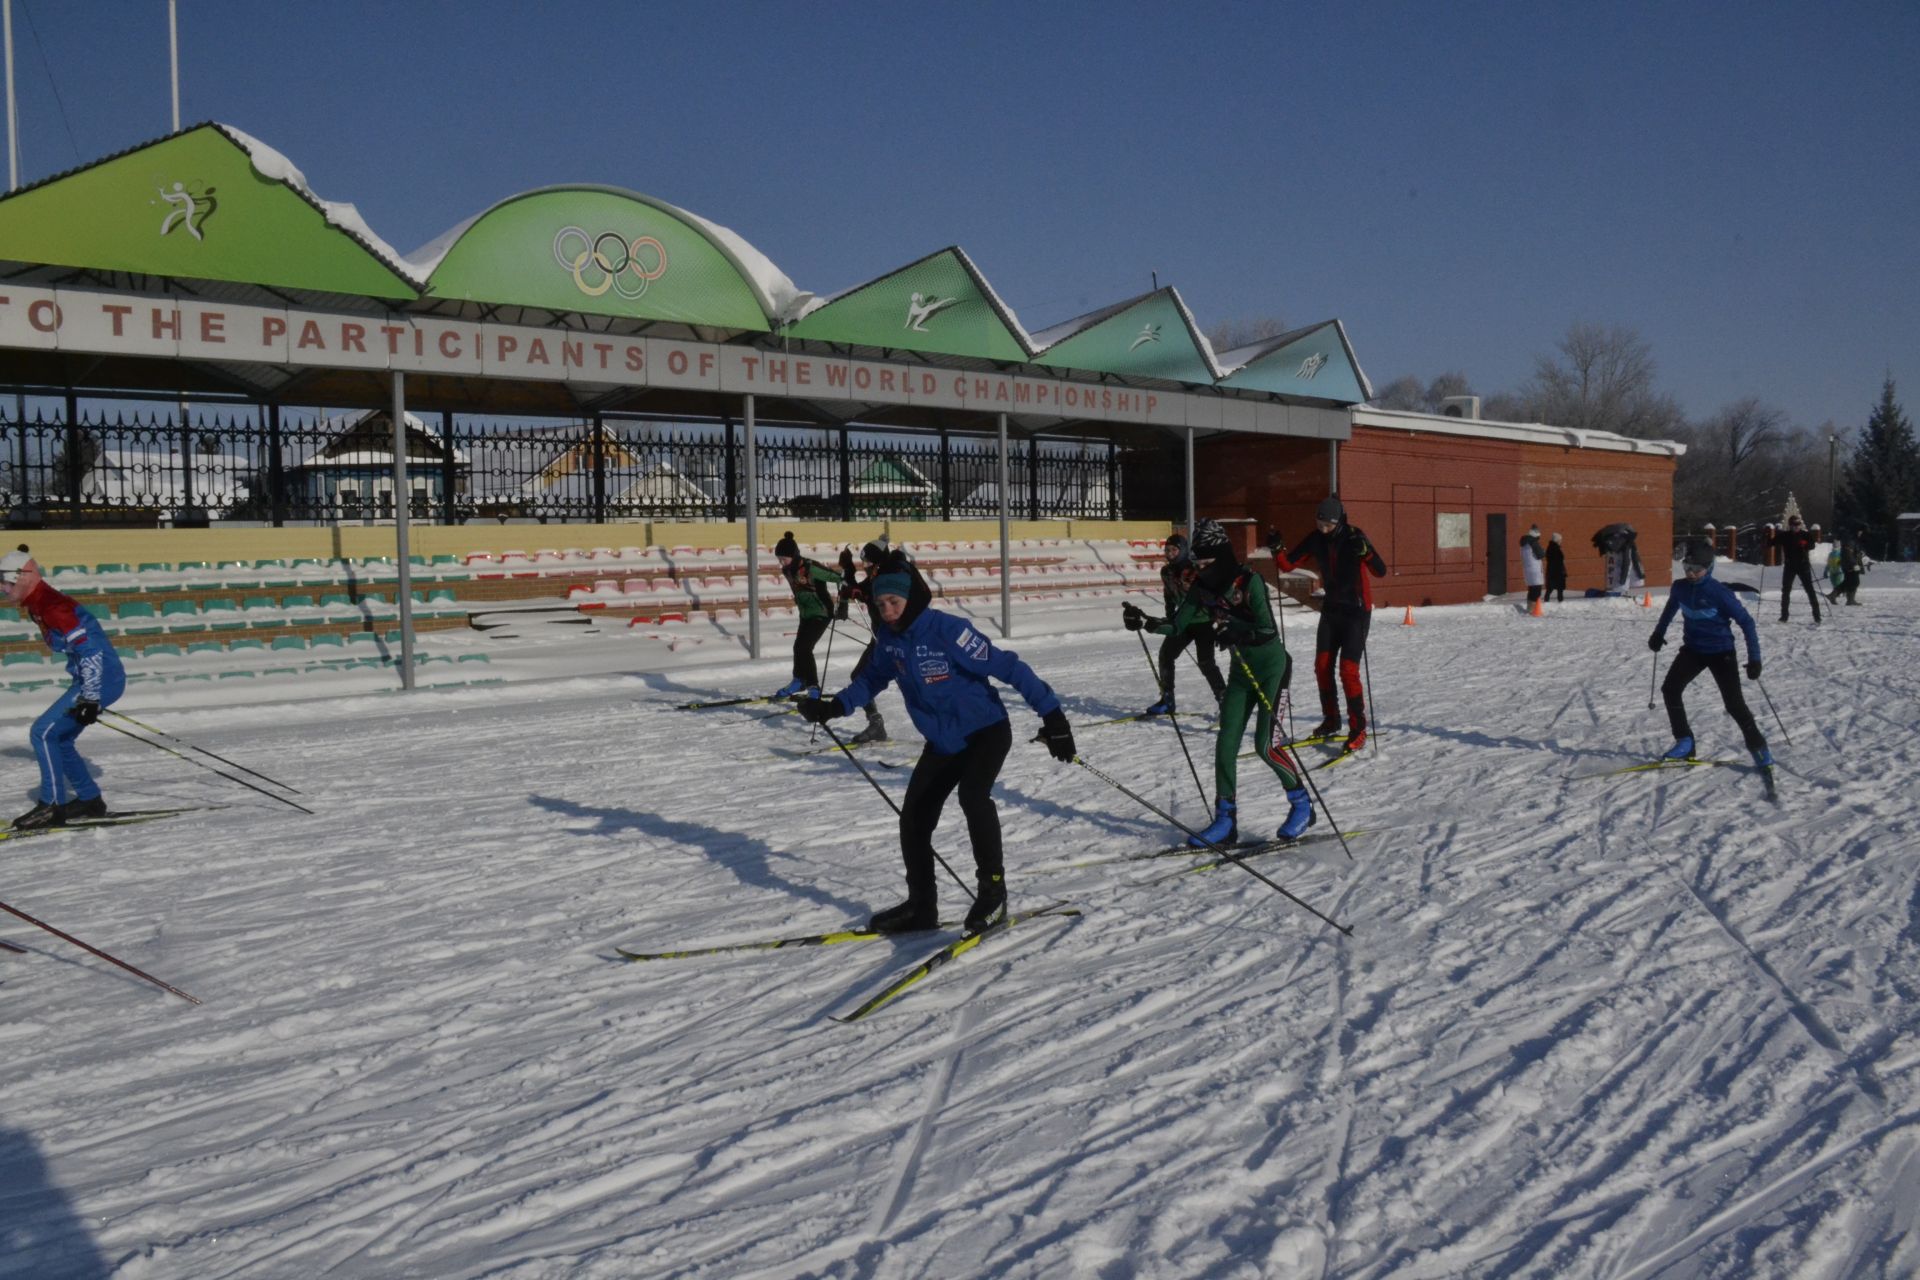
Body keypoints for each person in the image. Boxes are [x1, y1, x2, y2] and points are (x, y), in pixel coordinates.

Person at [798, 570, 1075, 934]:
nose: (888, 612)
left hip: (985, 731)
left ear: (912, 600)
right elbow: (870, 679)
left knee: (973, 797)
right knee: (913, 820)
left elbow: (1009, 667)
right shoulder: (889, 639)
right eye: (881, 606)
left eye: (894, 603)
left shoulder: (948, 631)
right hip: (944, 742)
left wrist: (1053, 716)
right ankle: (921, 907)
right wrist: (835, 707)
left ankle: (993, 894)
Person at [1151, 519, 1312, 847]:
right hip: (1241, 672)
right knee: (1225, 745)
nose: (1201, 569)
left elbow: (1268, 631)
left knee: (1265, 746)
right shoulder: (1201, 587)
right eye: (1198, 563)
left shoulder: (1248, 581)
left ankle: (1302, 805)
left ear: (1221, 557)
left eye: (1207, 562)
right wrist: (1145, 622)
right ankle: (1226, 820)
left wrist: (1239, 629)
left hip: (1271, 668)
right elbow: (1177, 625)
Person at [3, 546, 127, 828]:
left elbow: (91, 653)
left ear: (24, 577)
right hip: (92, 677)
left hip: (101, 677)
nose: (2, 589)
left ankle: (51, 805)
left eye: (6, 582)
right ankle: (89, 799)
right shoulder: (38, 603)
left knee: (42, 732)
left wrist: (91, 698)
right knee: (60, 738)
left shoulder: (53, 607)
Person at [1267, 496, 1387, 752]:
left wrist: (1365, 553)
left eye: (1327, 526)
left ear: (1338, 522)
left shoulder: (1354, 537)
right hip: (1332, 610)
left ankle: (1359, 728)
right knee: (1322, 666)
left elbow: (1380, 570)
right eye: (1319, 524)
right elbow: (1288, 565)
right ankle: (1331, 720)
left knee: (1348, 671)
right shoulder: (1316, 539)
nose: (1323, 529)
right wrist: (1277, 549)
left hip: (1356, 612)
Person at [1648, 540, 1769, 768]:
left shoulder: (1719, 593)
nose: (1691, 574)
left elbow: (1747, 622)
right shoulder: (1680, 588)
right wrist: (1658, 633)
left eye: (1697, 570)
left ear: (1709, 568)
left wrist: (1755, 658)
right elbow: (1670, 608)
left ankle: (1759, 747)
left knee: (1734, 704)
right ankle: (1685, 742)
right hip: (1693, 650)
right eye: (1687, 569)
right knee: (1671, 689)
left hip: (1721, 652)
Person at [830, 536, 928, 744]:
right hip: (882, 640)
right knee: (859, 675)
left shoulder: (896, 572)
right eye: (863, 563)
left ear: (879, 562)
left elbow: (882, 593)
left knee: (917, 684)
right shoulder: (879, 574)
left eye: (868, 564)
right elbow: (861, 589)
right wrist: (848, 568)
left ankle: (946, 730)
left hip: (906, 639)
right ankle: (876, 724)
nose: (865, 568)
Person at [1120, 533, 1226, 716]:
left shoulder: (1195, 570)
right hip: (1181, 622)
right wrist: (1170, 617)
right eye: (1167, 550)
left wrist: (1218, 617)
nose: (1169, 554)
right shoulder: (1166, 572)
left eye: (1174, 550)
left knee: (1206, 662)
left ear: (1183, 551)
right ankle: (1167, 699)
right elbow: (1168, 596)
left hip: (1203, 622)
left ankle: (1224, 701)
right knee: (1166, 655)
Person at [771, 532, 843, 698]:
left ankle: (813, 686)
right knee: (798, 647)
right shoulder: (787, 570)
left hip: (822, 612)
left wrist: (843, 601)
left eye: (784, 559)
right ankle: (798, 681)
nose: (781, 562)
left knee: (805, 647)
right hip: (805, 614)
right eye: (779, 559)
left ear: (794, 555)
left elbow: (837, 578)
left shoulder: (810, 567)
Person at [1767, 515, 1822, 624]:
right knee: (1786, 590)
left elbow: (1812, 545)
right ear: (1790, 525)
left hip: (1803, 565)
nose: (1796, 527)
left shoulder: (1805, 535)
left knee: (1810, 590)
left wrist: (1805, 544)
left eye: (1797, 525)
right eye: (1793, 525)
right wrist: (1767, 537)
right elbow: (1771, 543)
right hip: (1789, 566)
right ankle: (1784, 616)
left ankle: (1817, 616)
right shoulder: (1785, 535)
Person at [1828, 532, 1865, 606]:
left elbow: (1855, 553)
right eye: (1860, 531)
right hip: (1850, 565)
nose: (1860, 533)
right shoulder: (1850, 539)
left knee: (1849, 581)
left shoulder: (1853, 539)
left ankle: (1835, 595)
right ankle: (1849, 600)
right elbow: (1847, 554)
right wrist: (1854, 564)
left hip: (1850, 564)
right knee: (1854, 582)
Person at [1519, 525, 1546, 610]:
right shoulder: (1533, 542)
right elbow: (1540, 554)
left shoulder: (1524, 543)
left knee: (1531, 589)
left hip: (1528, 569)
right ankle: (1533, 609)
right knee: (1537, 590)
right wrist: (1543, 551)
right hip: (1535, 569)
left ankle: (1529, 607)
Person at [1545, 532, 1568, 603]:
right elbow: (1559, 561)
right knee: (1559, 588)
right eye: (1560, 540)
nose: (1561, 541)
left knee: (1550, 588)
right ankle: (1560, 602)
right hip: (1557, 571)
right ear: (1557, 540)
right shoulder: (1556, 549)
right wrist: (1562, 571)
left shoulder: (1550, 548)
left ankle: (1546, 600)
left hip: (1552, 571)